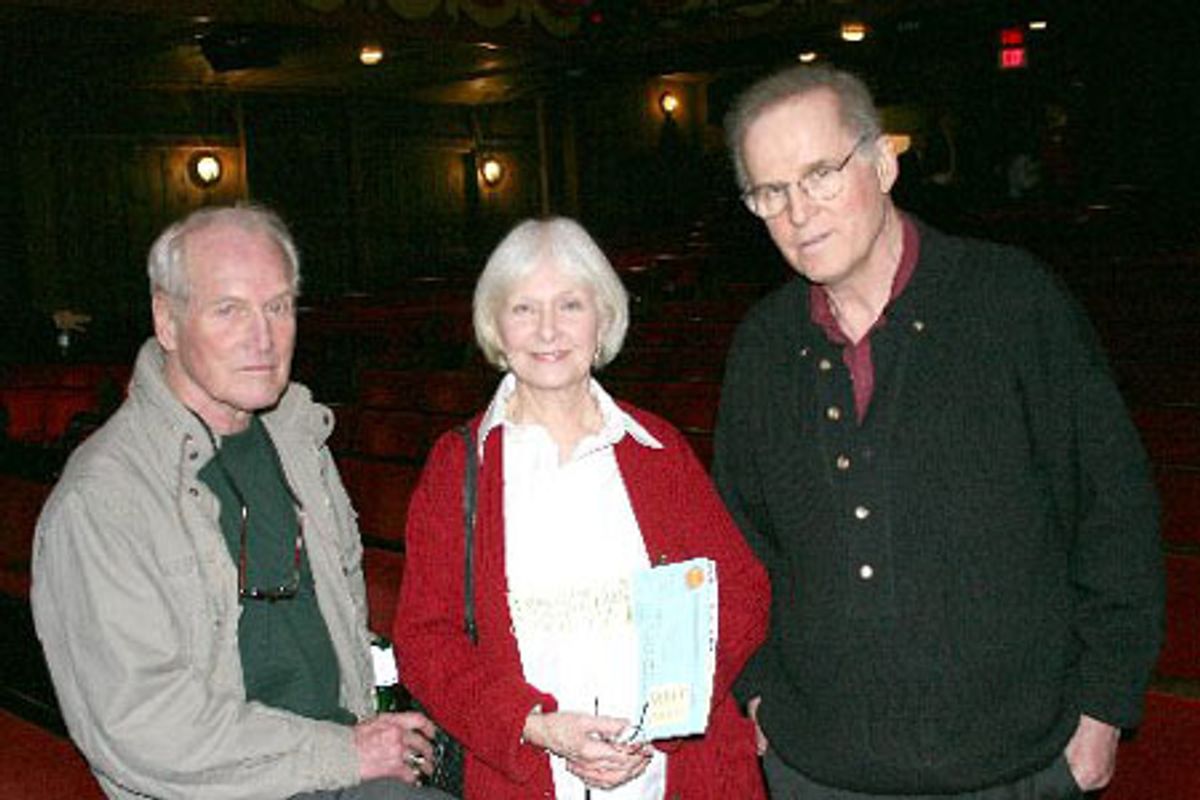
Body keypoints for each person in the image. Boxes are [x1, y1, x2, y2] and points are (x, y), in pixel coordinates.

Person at [714, 65, 1164, 799]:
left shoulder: (1013, 302)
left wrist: (1105, 705)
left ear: (884, 162)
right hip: (817, 769)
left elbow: (1113, 510)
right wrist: (758, 691)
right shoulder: (763, 346)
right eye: (771, 191)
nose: (798, 212)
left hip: (1016, 764)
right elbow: (739, 543)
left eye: (821, 174)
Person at [31, 205, 452, 800]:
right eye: (229, 309)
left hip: (340, 758)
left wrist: (368, 737)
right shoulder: (105, 498)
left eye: (277, 307)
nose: (263, 338)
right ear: (167, 321)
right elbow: (146, 727)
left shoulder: (298, 442)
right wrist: (346, 754)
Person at [394, 217, 770, 799]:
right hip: (529, 778)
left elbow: (742, 593)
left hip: (676, 773)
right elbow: (425, 640)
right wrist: (533, 726)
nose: (548, 329)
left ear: (603, 320)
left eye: (570, 304)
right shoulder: (457, 466)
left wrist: (668, 717)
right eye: (523, 308)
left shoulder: (658, 449)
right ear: (496, 327)